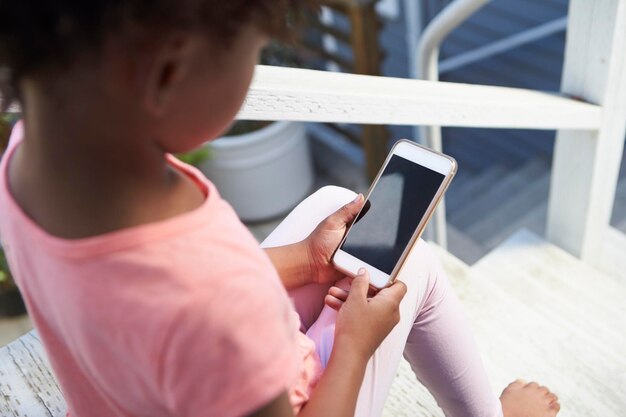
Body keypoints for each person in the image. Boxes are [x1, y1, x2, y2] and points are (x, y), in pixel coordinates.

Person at [0, 1, 560, 417]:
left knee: (338, 207)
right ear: (169, 72)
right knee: (414, 266)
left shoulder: (26, 158)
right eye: (255, 51)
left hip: (142, 387)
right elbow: (209, 297)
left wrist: (304, 260)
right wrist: (353, 348)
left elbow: (181, 286)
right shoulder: (216, 306)